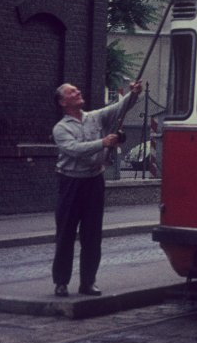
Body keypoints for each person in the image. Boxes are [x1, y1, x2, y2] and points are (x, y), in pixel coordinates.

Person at [51, 80, 141, 297]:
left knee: (92, 235)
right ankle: (61, 282)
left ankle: (88, 282)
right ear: (63, 102)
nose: (78, 91)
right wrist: (103, 143)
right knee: (66, 234)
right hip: (71, 182)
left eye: (77, 89)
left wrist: (133, 95)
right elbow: (74, 150)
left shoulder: (95, 117)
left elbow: (119, 108)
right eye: (72, 92)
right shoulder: (61, 129)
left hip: (94, 181)